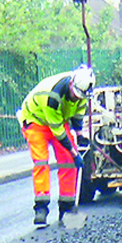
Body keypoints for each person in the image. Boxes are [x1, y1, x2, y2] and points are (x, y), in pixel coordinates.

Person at [18, 66, 95, 227]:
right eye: (75, 95)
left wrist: (80, 135)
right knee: (41, 162)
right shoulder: (53, 95)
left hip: (59, 119)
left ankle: (66, 209)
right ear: (71, 85)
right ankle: (41, 208)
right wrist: (74, 152)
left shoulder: (83, 93)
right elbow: (58, 132)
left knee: (69, 162)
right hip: (35, 120)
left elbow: (78, 113)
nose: (76, 98)